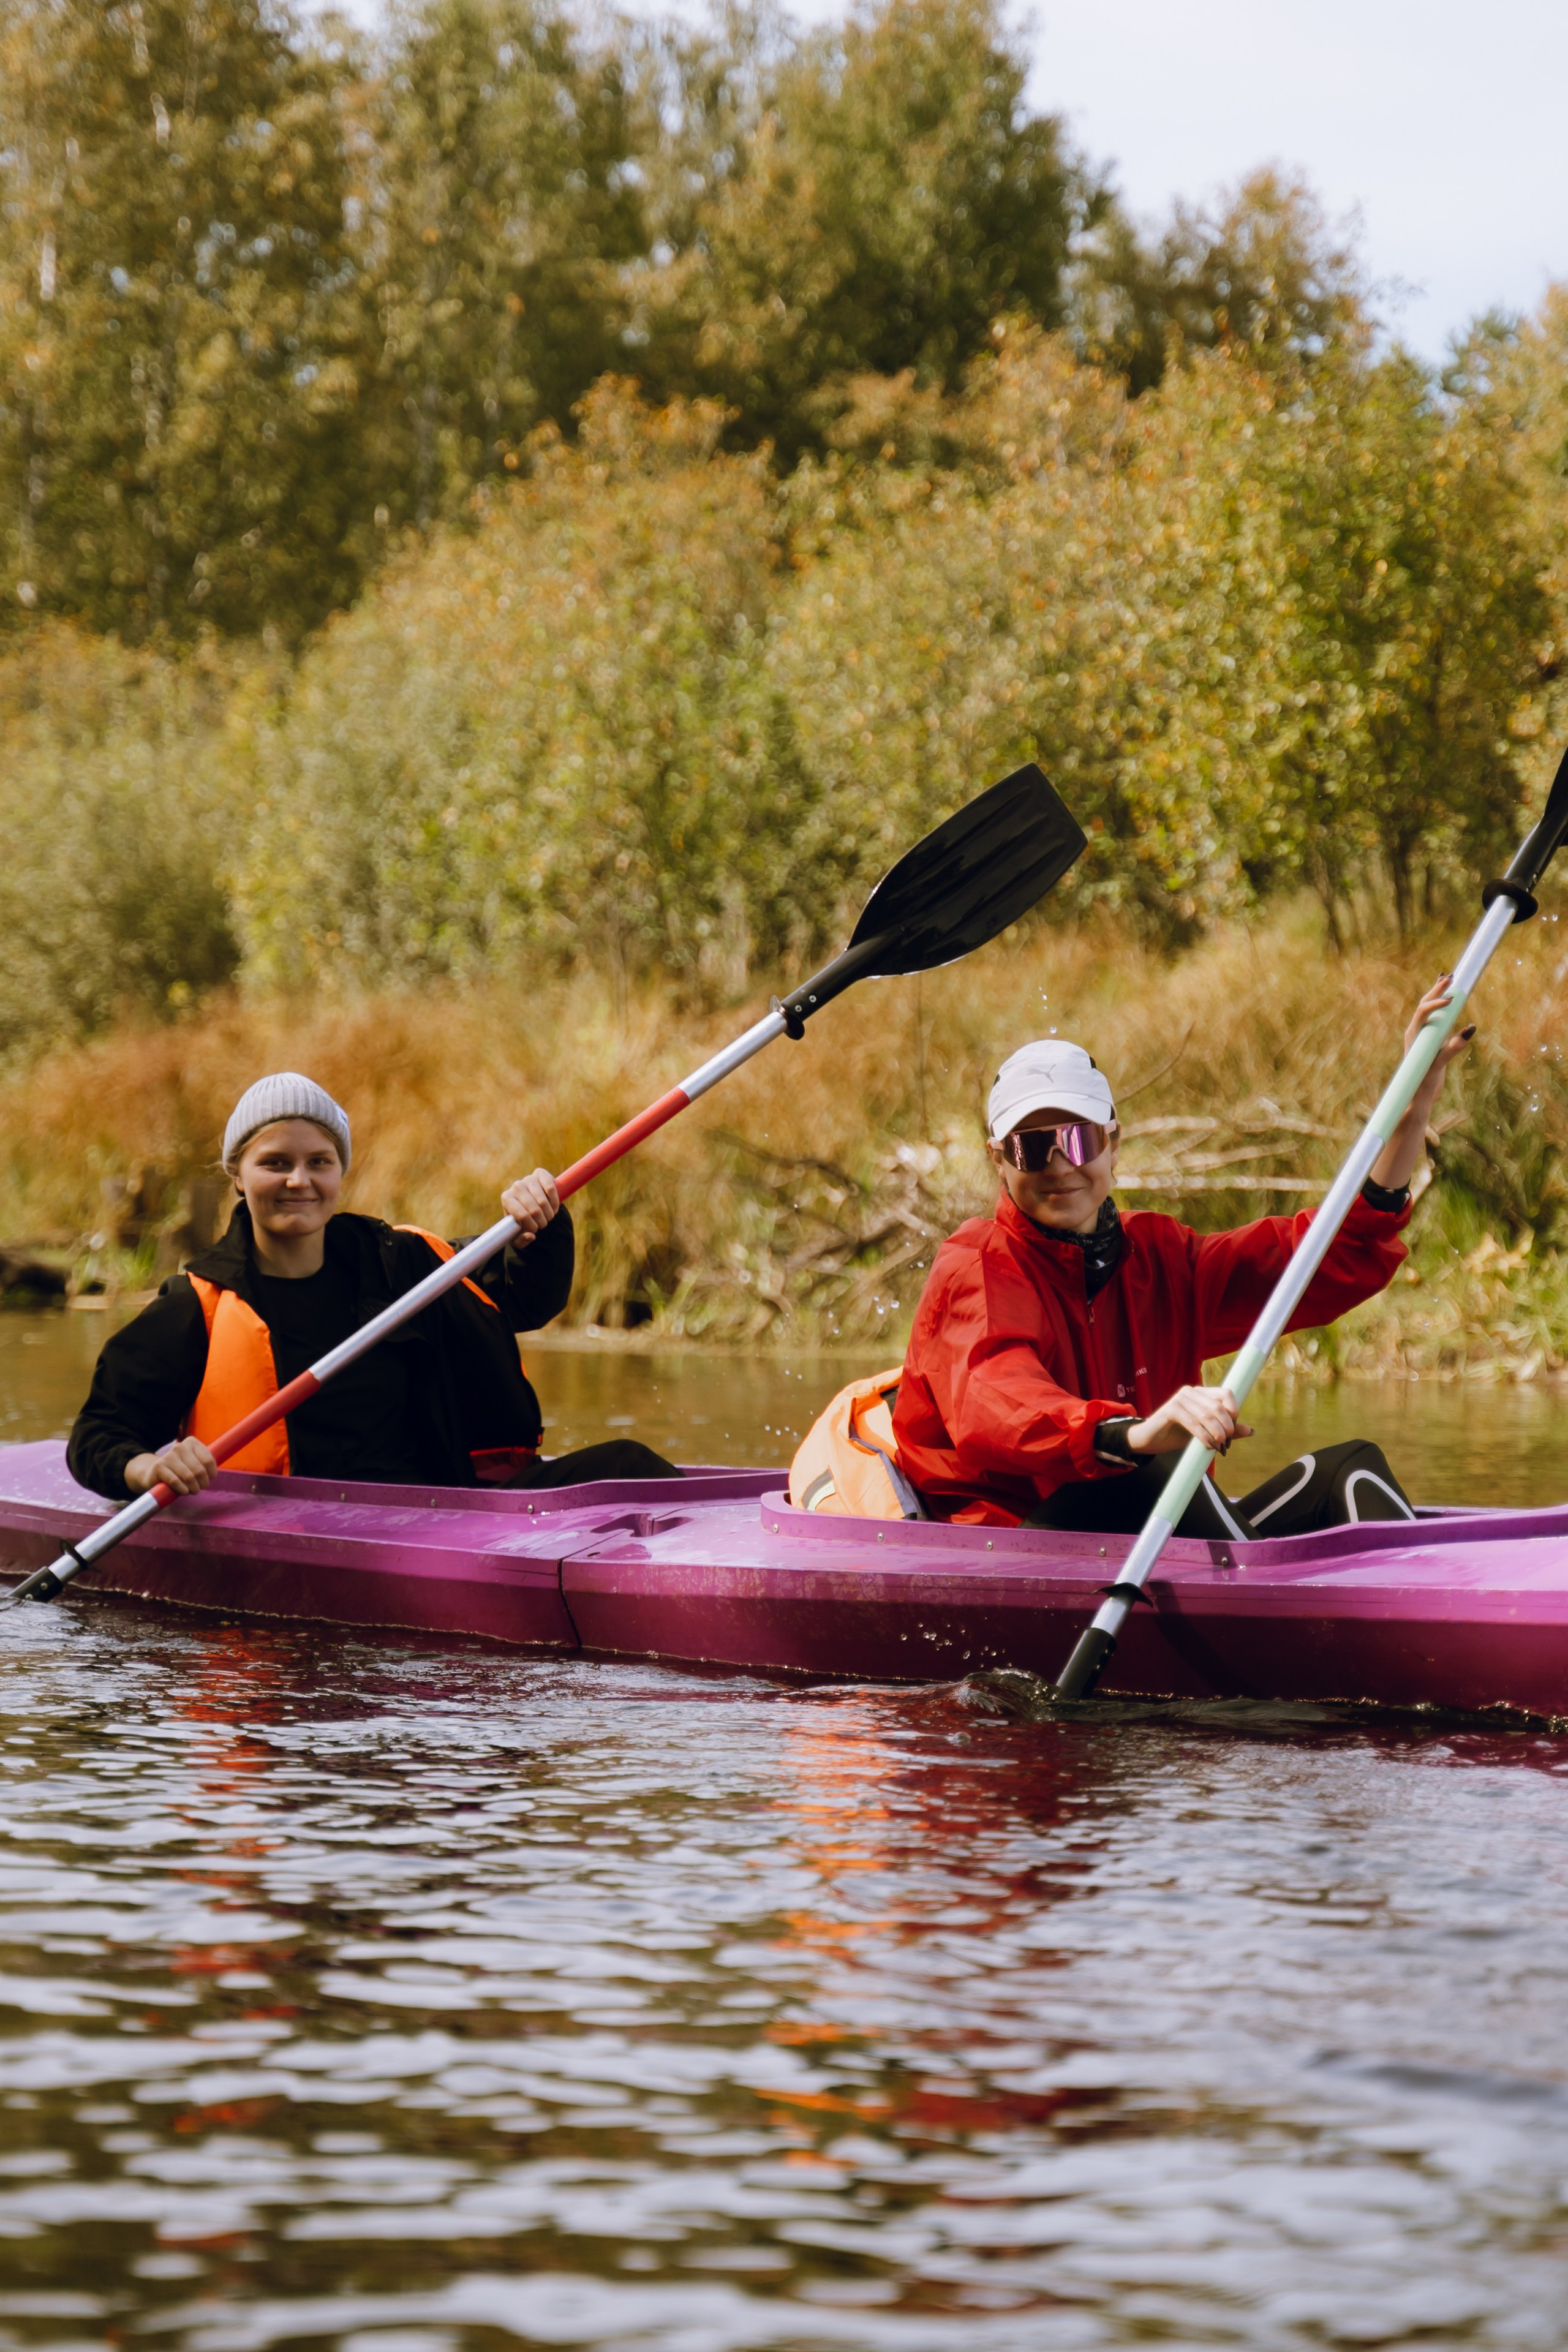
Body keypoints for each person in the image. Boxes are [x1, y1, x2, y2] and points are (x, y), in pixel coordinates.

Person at [891, 981, 1472, 1536]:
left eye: (1079, 1140)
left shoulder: (1161, 1257)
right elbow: (998, 1401)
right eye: (1032, 1147)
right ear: (999, 1159)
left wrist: (1415, 1103)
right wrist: (1130, 1435)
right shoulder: (976, 1268)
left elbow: (1332, 1255)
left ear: (1113, 1145)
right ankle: (1265, 1599)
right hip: (1010, 1543)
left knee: (1352, 1469)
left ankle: (1421, 1601)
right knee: (1157, 1474)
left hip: (1145, 1527)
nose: (1060, 1165)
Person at [68, 1071, 679, 1501]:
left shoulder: (403, 1262)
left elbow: (525, 1298)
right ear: (237, 1175)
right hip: (310, 1528)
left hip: (445, 1506)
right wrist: (148, 1468)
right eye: (275, 1163)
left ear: (340, 1172)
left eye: (319, 1162)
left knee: (629, 1464)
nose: (299, 1181)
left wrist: (538, 1223)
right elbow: (99, 1434)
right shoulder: (196, 1305)